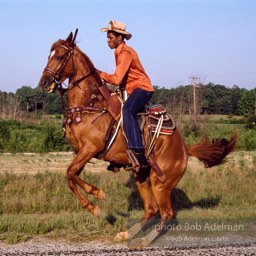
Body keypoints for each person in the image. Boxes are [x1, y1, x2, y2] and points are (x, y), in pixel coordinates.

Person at [98, 20, 154, 170]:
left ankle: (138, 153)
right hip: (130, 89)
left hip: (142, 88)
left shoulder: (126, 52)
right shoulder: (119, 52)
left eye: (110, 37)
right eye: (107, 37)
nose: (108, 40)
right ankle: (118, 155)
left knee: (127, 110)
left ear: (120, 38)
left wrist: (100, 74)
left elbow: (117, 79)